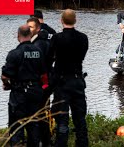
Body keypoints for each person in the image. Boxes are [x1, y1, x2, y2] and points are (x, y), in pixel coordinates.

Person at [48, 9, 89, 146]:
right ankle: (82, 143)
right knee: (80, 118)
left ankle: (61, 144)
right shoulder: (83, 38)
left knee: (62, 118)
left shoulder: (56, 38)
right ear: (75, 20)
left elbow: (49, 60)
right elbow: (81, 56)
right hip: (77, 81)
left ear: (61, 20)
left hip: (62, 82)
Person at [1, 25, 45, 146]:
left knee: (16, 126)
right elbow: (43, 74)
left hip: (19, 94)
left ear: (18, 35)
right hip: (35, 92)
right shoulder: (39, 52)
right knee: (33, 125)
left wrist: (7, 85)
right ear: (31, 35)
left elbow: (5, 76)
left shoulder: (15, 53)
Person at [27, 17, 52, 147]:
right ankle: (45, 139)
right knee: (43, 111)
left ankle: (41, 141)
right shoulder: (39, 42)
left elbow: (39, 65)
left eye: (31, 27)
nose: (28, 29)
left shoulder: (38, 44)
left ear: (38, 28)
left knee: (38, 113)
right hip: (44, 81)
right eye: (27, 27)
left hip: (40, 83)